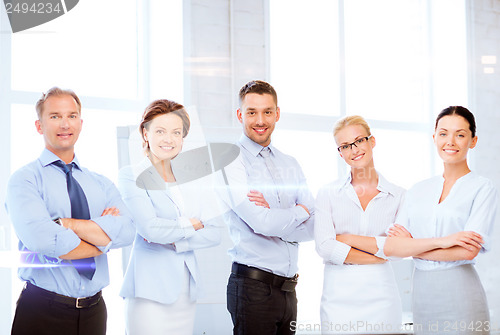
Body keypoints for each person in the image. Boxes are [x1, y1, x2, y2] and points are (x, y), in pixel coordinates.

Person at [339, 106, 497, 334]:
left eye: (460, 135)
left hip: (461, 292)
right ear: (434, 138)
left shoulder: (483, 188)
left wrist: (412, 246)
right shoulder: (418, 190)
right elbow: (394, 247)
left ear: (473, 141)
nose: (450, 141)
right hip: (423, 296)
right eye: (443, 133)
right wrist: (444, 242)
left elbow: (467, 251)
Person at [5, 87, 135, 335]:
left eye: (72, 116)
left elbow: (128, 231)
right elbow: (44, 240)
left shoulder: (101, 183)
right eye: (54, 116)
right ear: (39, 125)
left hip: (95, 311)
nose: (65, 123)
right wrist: (103, 237)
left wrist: (67, 224)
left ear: (81, 123)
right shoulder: (24, 180)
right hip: (42, 310)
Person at [218, 80, 314, 335]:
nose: (260, 120)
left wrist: (275, 216)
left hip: (289, 291)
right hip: (252, 288)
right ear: (240, 115)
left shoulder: (290, 163)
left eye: (267, 112)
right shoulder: (230, 161)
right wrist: (298, 212)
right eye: (252, 112)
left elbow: (314, 225)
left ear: (277, 114)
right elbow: (261, 222)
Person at [118, 99, 221, 335]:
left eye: (176, 132)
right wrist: (192, 225)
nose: (169, 139)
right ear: (145, 133)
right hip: (149, 292)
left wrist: (176, 239)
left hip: (186, 292)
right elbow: (150, 229)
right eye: (161, 131)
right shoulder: (131, 175)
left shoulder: (192, 178)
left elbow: (215, 232)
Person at [314, 115, 403, 334]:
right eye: (345, 146)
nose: (354, 150)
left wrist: (346, 240)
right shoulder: (327, 193)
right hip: (338, 298)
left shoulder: (399, 196)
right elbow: (325, 247)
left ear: (372, 141)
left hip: (382, 297)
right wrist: (380, 253)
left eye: (359, 141)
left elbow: (400, 250)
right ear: (340, 152)